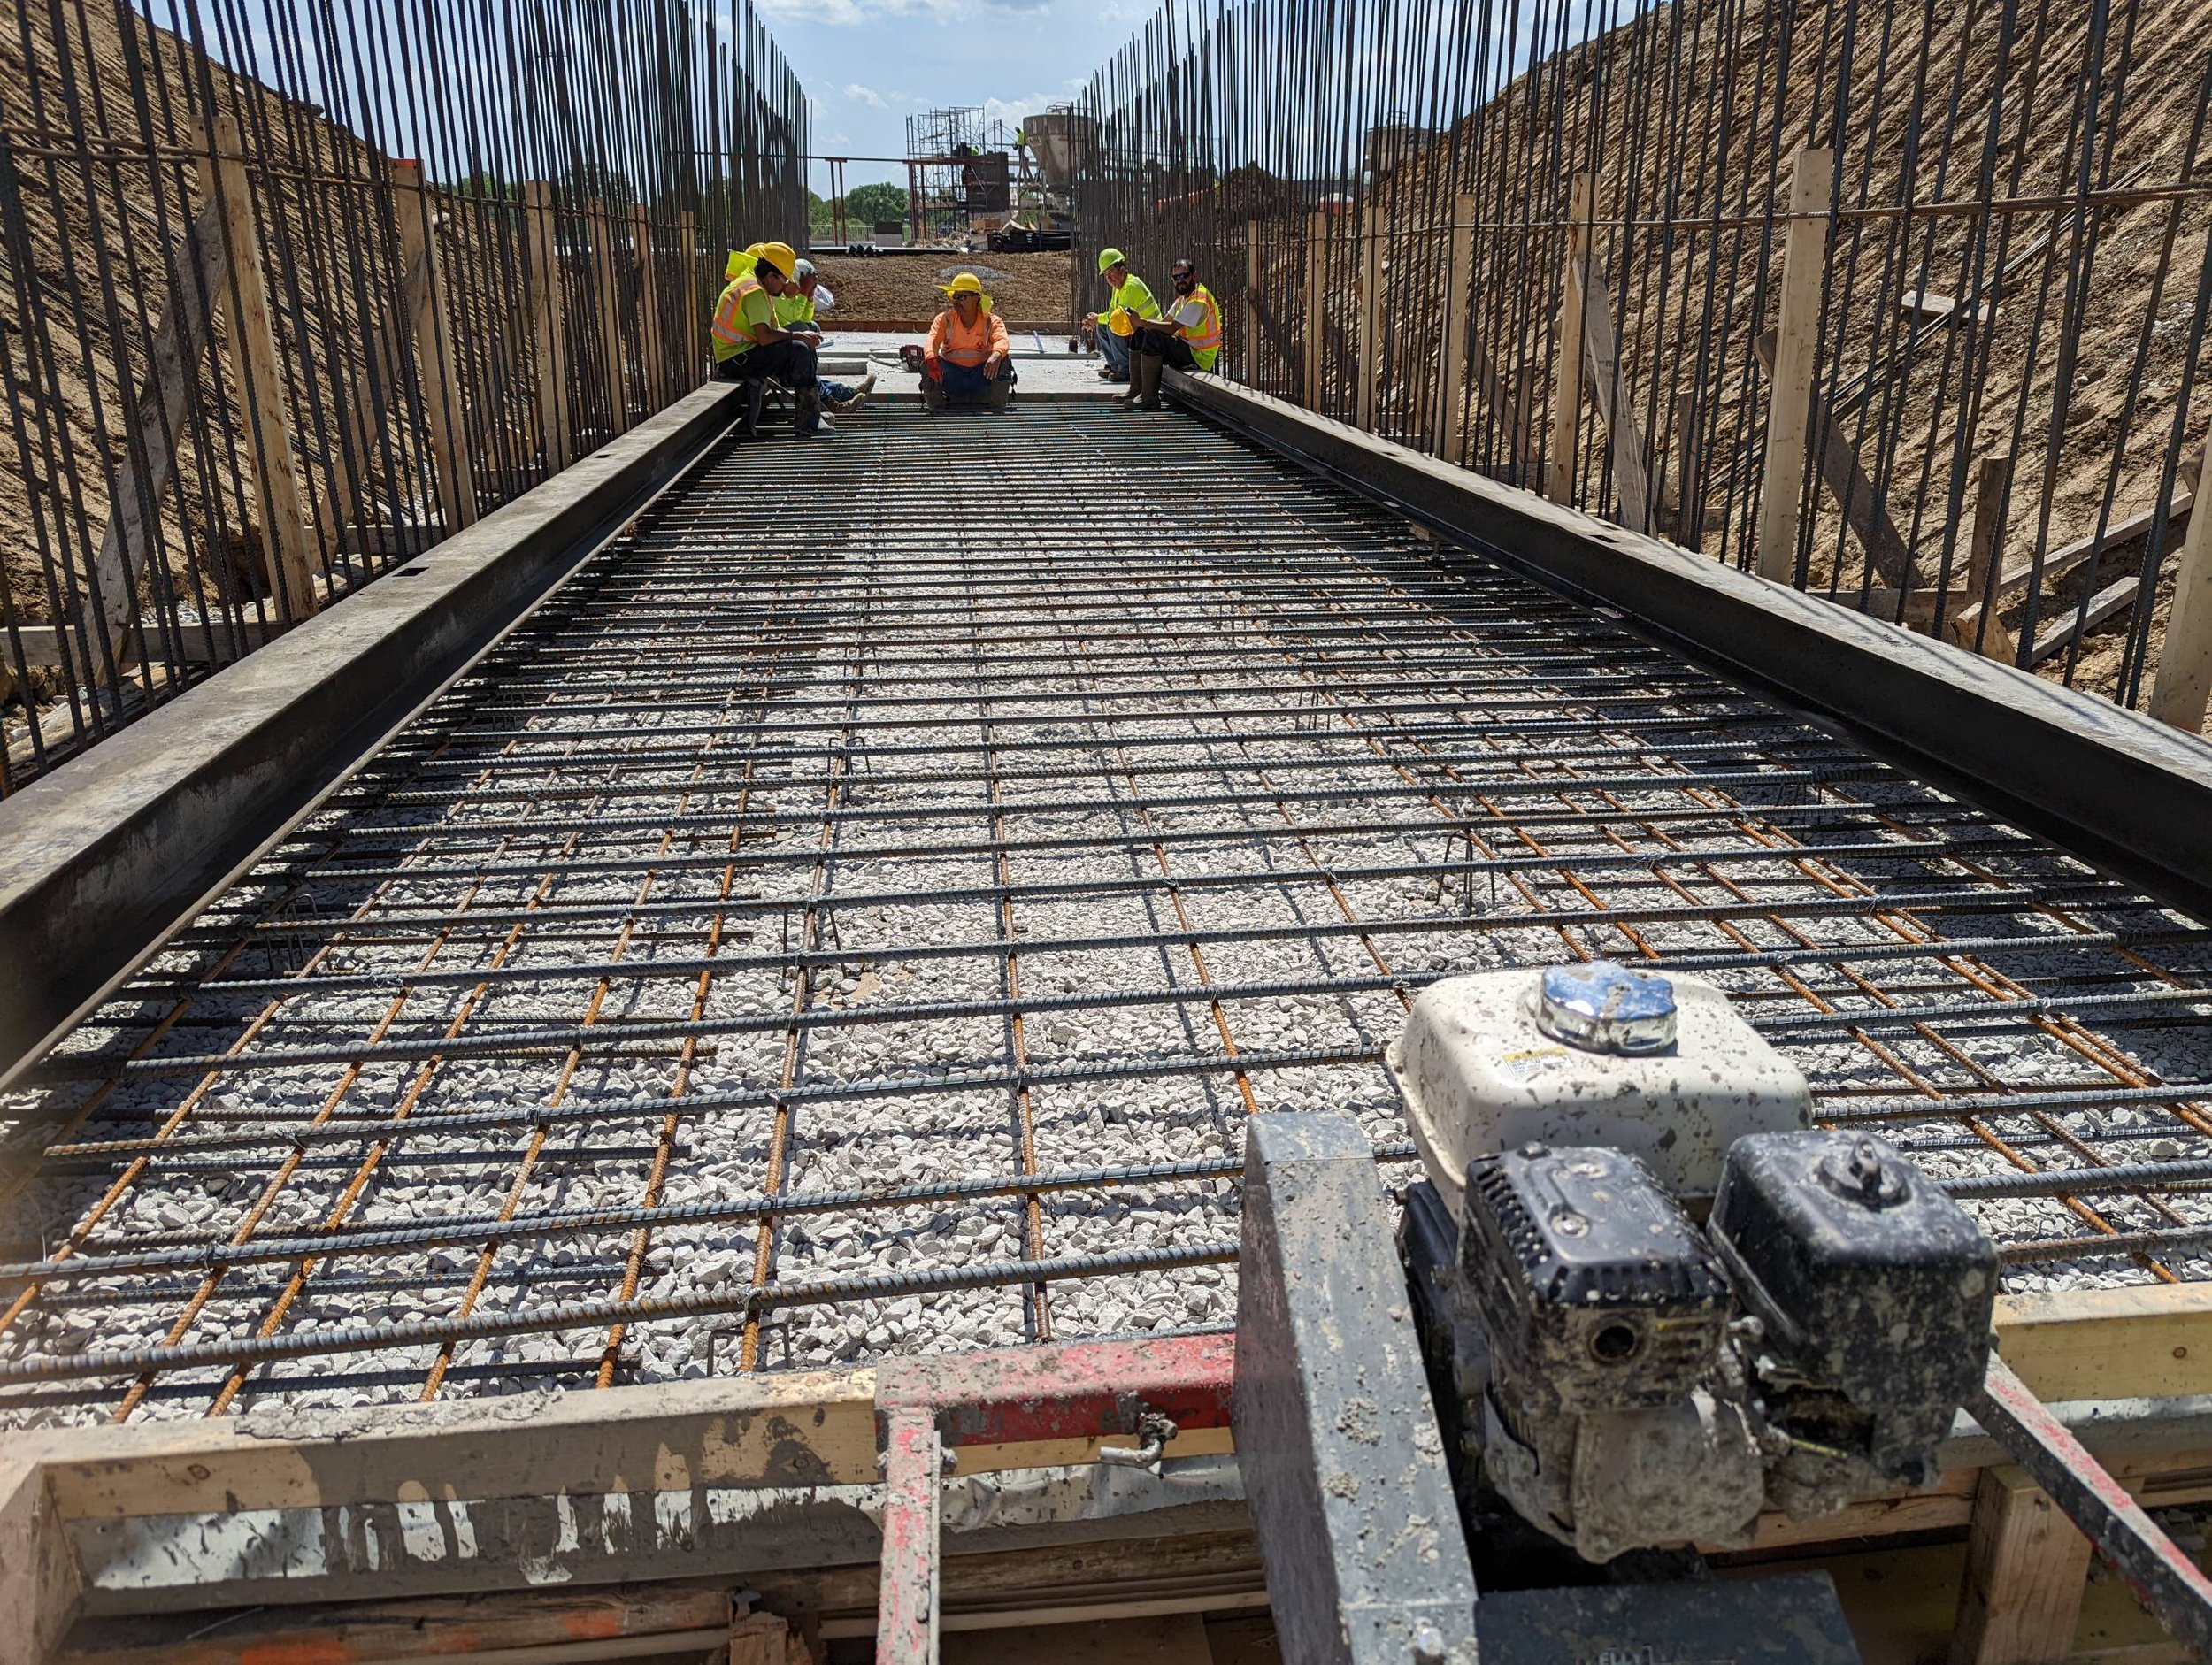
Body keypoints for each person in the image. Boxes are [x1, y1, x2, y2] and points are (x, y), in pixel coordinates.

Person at [709, 240, 822, 438]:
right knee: (799, 350)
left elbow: (774, 328)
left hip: (742, 353)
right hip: (735, 359)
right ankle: (809, 423)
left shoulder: (760, 287)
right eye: (783, 280)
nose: (785, 286)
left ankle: (813, 414)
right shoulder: (753, 291)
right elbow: (764, 337)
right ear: (771, 276)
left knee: (802, 345)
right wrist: (796, 335)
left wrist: (802, 336)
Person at [776, 258, 876, 412]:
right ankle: (831, 403)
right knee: (802, 337)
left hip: (778, 346)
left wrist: (808, 296)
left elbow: (806, 318)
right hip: (776, 352)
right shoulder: (777, 295)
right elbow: (793, 316)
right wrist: (803, 291)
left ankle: (845, 393)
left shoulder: (785, 292)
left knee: (811, 327)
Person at [1125, 256, 1222, 410]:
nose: (1180, 281)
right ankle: (1136, 390)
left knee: (1153, 337)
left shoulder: (1199, 300)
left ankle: (1149, 397)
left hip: (1198, 357)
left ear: (1194, 276)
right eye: (1176, 277)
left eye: (1185, 276)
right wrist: (1141, 326)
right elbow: (1163, 322)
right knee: (1142, 334)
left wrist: (1141, 321)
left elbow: (1170, 328)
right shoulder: (1183, 299)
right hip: (1186, 349)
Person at [921, 272, 1016, 409]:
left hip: (982, 376)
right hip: (951, 376)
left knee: (1003, 361)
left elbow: (1002, 340)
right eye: (955, 297)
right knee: (926, 363)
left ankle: (997, 409)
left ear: (976, 299)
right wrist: (931, 360)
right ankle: (937, 410)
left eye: (962, 297)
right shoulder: (945, 319)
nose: (956, 302)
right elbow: (932, 341)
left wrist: (996, 355)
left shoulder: (991, 321)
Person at [1080, 248, 1158, 386]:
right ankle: (1115, 366)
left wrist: (1096, 318)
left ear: (1122, 270)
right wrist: (1096, 320)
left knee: (1113, 324)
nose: (1109, 279)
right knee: (1104, 326)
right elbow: (1111, 312)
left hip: (1150, 335)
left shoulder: (1131, 286)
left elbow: (1117, 317)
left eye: (1111, 273)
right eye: (1105, 275)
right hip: (1137, 331)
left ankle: (1126, 369)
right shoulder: (1118, 288)